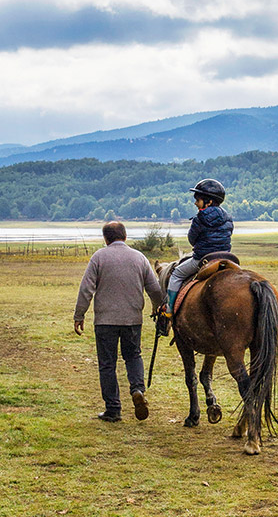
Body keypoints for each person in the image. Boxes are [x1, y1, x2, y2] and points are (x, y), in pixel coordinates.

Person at [74, 220, 164, 422]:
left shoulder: (99, 257)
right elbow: (155, 290)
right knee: (133, 356)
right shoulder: (139, 258)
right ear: (125, 236)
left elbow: (86, 289)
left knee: (107, 364)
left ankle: (113, 409)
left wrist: (79, 315)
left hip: (105, 321)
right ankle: (137, 389)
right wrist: (159, 308)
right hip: (132, 319)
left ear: (106, 239)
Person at [160, 178, 234, 326]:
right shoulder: (228, 217)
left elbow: (192, 240)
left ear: (209, 202)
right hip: (226, 258)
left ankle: (169, 309)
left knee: (176, 274)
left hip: (203, 259)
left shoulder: (199, 218)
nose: (195, 203)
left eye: (198, 200)